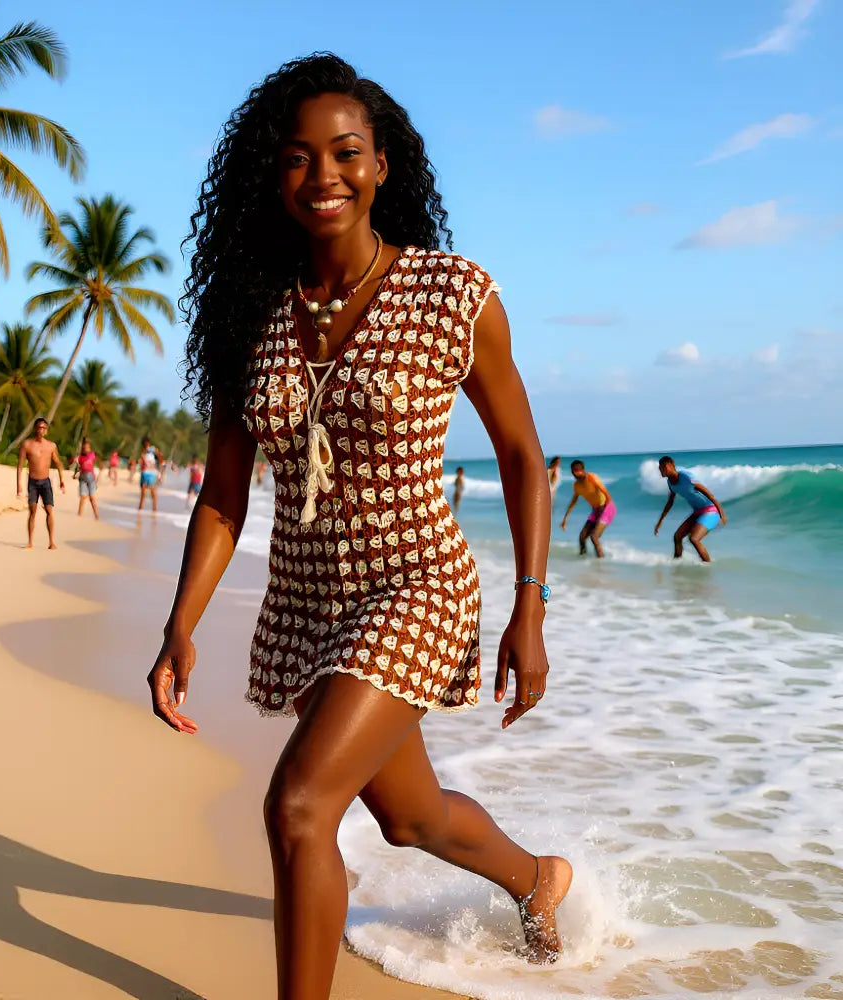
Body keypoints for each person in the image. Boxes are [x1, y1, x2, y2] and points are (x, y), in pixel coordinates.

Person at [147, 54, 571, 999]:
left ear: (383, 164)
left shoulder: (451, 295)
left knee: (299, 808)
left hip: (417, 584)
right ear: (275, 175)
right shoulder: (248, 320)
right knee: (411, 820)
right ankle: (538, 879)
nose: (323, 176)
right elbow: (222, 497)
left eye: (345, 153)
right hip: (308, 602)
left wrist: (529, 606)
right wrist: (180, 624)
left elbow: (520, 457)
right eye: (298, 158)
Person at [654, 455, 727, 562]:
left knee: (694, 539)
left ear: (671, 465)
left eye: (663, 467)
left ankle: (707, 566)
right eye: (660, 468)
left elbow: (709, 495)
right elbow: (670, 502)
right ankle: (677, 564)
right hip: (698, 512)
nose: (661, 470)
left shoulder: (686, 478)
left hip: (711, 510)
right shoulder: (670, 482)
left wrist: (722, 515)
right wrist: (660, 521)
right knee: (677, 537)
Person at [16, 417, 66, 549]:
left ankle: (51, 542)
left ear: (46, 430)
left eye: (43, 428)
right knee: (32, 511)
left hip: (45, 482)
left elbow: (58, 462)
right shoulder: (27, 444)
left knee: (49, 510)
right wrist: (18, 485)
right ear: (35, 429)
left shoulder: (51, 445)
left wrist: (62, 480)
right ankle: (30, 542)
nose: (41, 430)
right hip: (32, 482)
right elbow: (20, 465)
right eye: (39, 427)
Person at [560, 459, 615, 558]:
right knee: (582, 537)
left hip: (607, 508)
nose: (574, 473)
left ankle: (601, 562)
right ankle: (583, 559)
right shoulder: (576, 485)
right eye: (573, 471)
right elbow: (573, 502)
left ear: (582, 470)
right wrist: (565, 519)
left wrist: (608, 506)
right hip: (596, 510)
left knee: (594, 537)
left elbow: (605, 491)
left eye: (576, 470)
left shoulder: (591, 477)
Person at [74, 438, 100, 519]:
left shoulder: (92, 455)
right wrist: (75, 474)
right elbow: (77, 467)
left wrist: (98, 477)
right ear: (82, 449)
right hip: (82, 479)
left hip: (91, 479)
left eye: (87, 448)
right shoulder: (80, 458)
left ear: (90, 449)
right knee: (83, 497)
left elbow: (98, 462)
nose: (86, 450)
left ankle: (96, 516)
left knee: (92, 498)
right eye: (84, 448)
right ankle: (79, 515)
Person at [138, 438, 159, 513]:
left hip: (152, 473)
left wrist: (155, 450)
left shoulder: (152, 451)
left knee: (153, 492)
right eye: (146, 444)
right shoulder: (143, 452)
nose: (147, 445)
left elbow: (159, 454)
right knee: (143, 493)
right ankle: (140, 508)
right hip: (145, 472)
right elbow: (142, 458)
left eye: (148, 444)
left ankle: (154, 509)